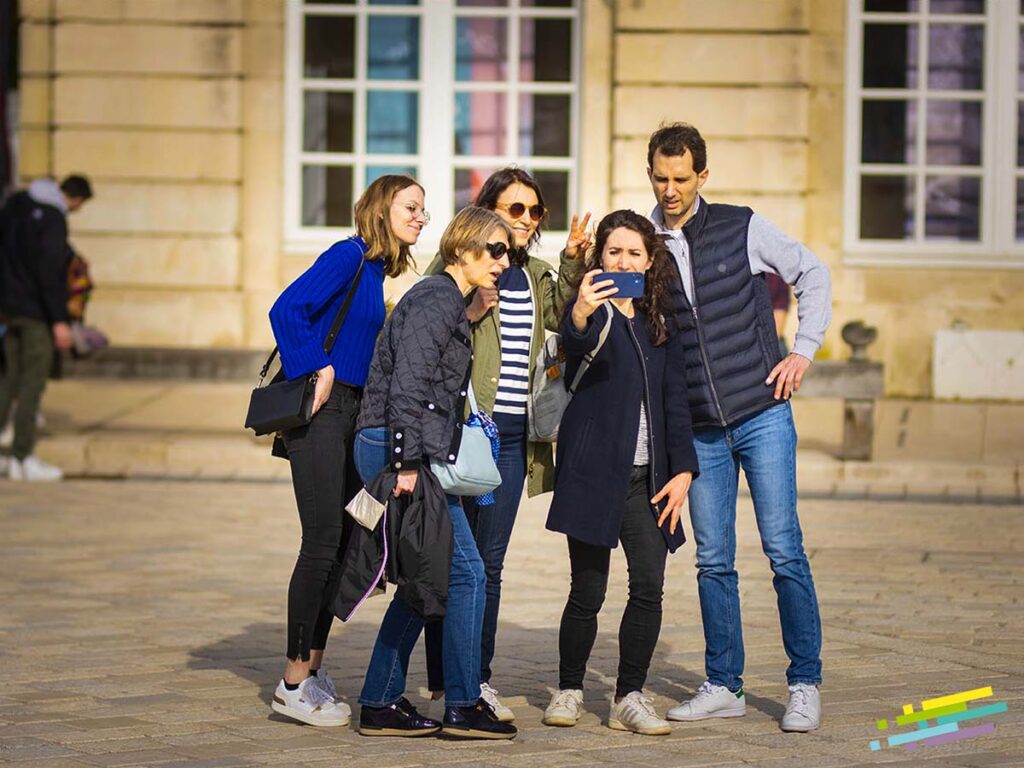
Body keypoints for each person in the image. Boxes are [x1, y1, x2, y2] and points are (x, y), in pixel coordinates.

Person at [645, 123, 831, 732]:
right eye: (660, 177)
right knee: (714, 561)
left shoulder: (742, 225)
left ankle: (804, 681)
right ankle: (725, 683)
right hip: (700, 430)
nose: (670, 190)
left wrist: (802, 350)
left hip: (763, 415)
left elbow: (813, 273)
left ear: (703, 175)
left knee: (784, 550)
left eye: (681, 178)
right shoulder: (647, 244)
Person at [422, 167, 588, 720]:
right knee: (449, 560)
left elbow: (570, 316)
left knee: (488, 565)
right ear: (488, 208)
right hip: (462, 433)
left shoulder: (537, 275)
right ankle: (449, 680)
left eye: (534, 211)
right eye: (514, 208)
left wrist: (572, 261)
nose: (525, 220)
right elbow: (427, 326)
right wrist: (467, 310)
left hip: (514, 442)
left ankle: (477, 678)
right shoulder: (463, 271)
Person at [266, 174, 426, 727]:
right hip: (322, 413)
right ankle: (290, 683)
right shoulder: (348, 255)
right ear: (383, 208)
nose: (421, 217)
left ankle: (310, 669)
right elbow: (287, 310)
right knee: (322, 541)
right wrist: (319, 364)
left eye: (424, 210)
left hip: (354, 417)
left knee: (344, 542)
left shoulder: (378, 271)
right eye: (412, 207)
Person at [352, 205, 517, 740]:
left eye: (507, 253)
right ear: (463, 247)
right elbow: (408, 386)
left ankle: (380, 702)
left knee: (428, 579)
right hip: (398, 450)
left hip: (407, 449)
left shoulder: (449, 303)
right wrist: (403, 464)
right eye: (495, 249)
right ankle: (462, 706)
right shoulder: (436, 298)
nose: (502, 261)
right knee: (465, 574)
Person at [541, 210, 700, 735]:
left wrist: (684, 471)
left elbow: (676, 398)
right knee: (587, 590)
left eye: (634, 253)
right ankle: (568, 688)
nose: (623, 261)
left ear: (649, 260)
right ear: (599, 257)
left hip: (650, 479)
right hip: (592, 472)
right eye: (614, 252)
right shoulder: (592, 309)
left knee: (648, 587)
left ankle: (630, 696)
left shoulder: (660, 321)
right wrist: (583, 310)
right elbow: (576, 340)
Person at [0, 175, 92, 481]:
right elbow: (50, 272)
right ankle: (22, 456)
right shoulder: (52, 218)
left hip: (7, 308)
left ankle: (10, 459)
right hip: (36, 311)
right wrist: (59, 321)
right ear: (74, 199)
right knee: (32, 382)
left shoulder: (14, 207)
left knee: (9, 379)